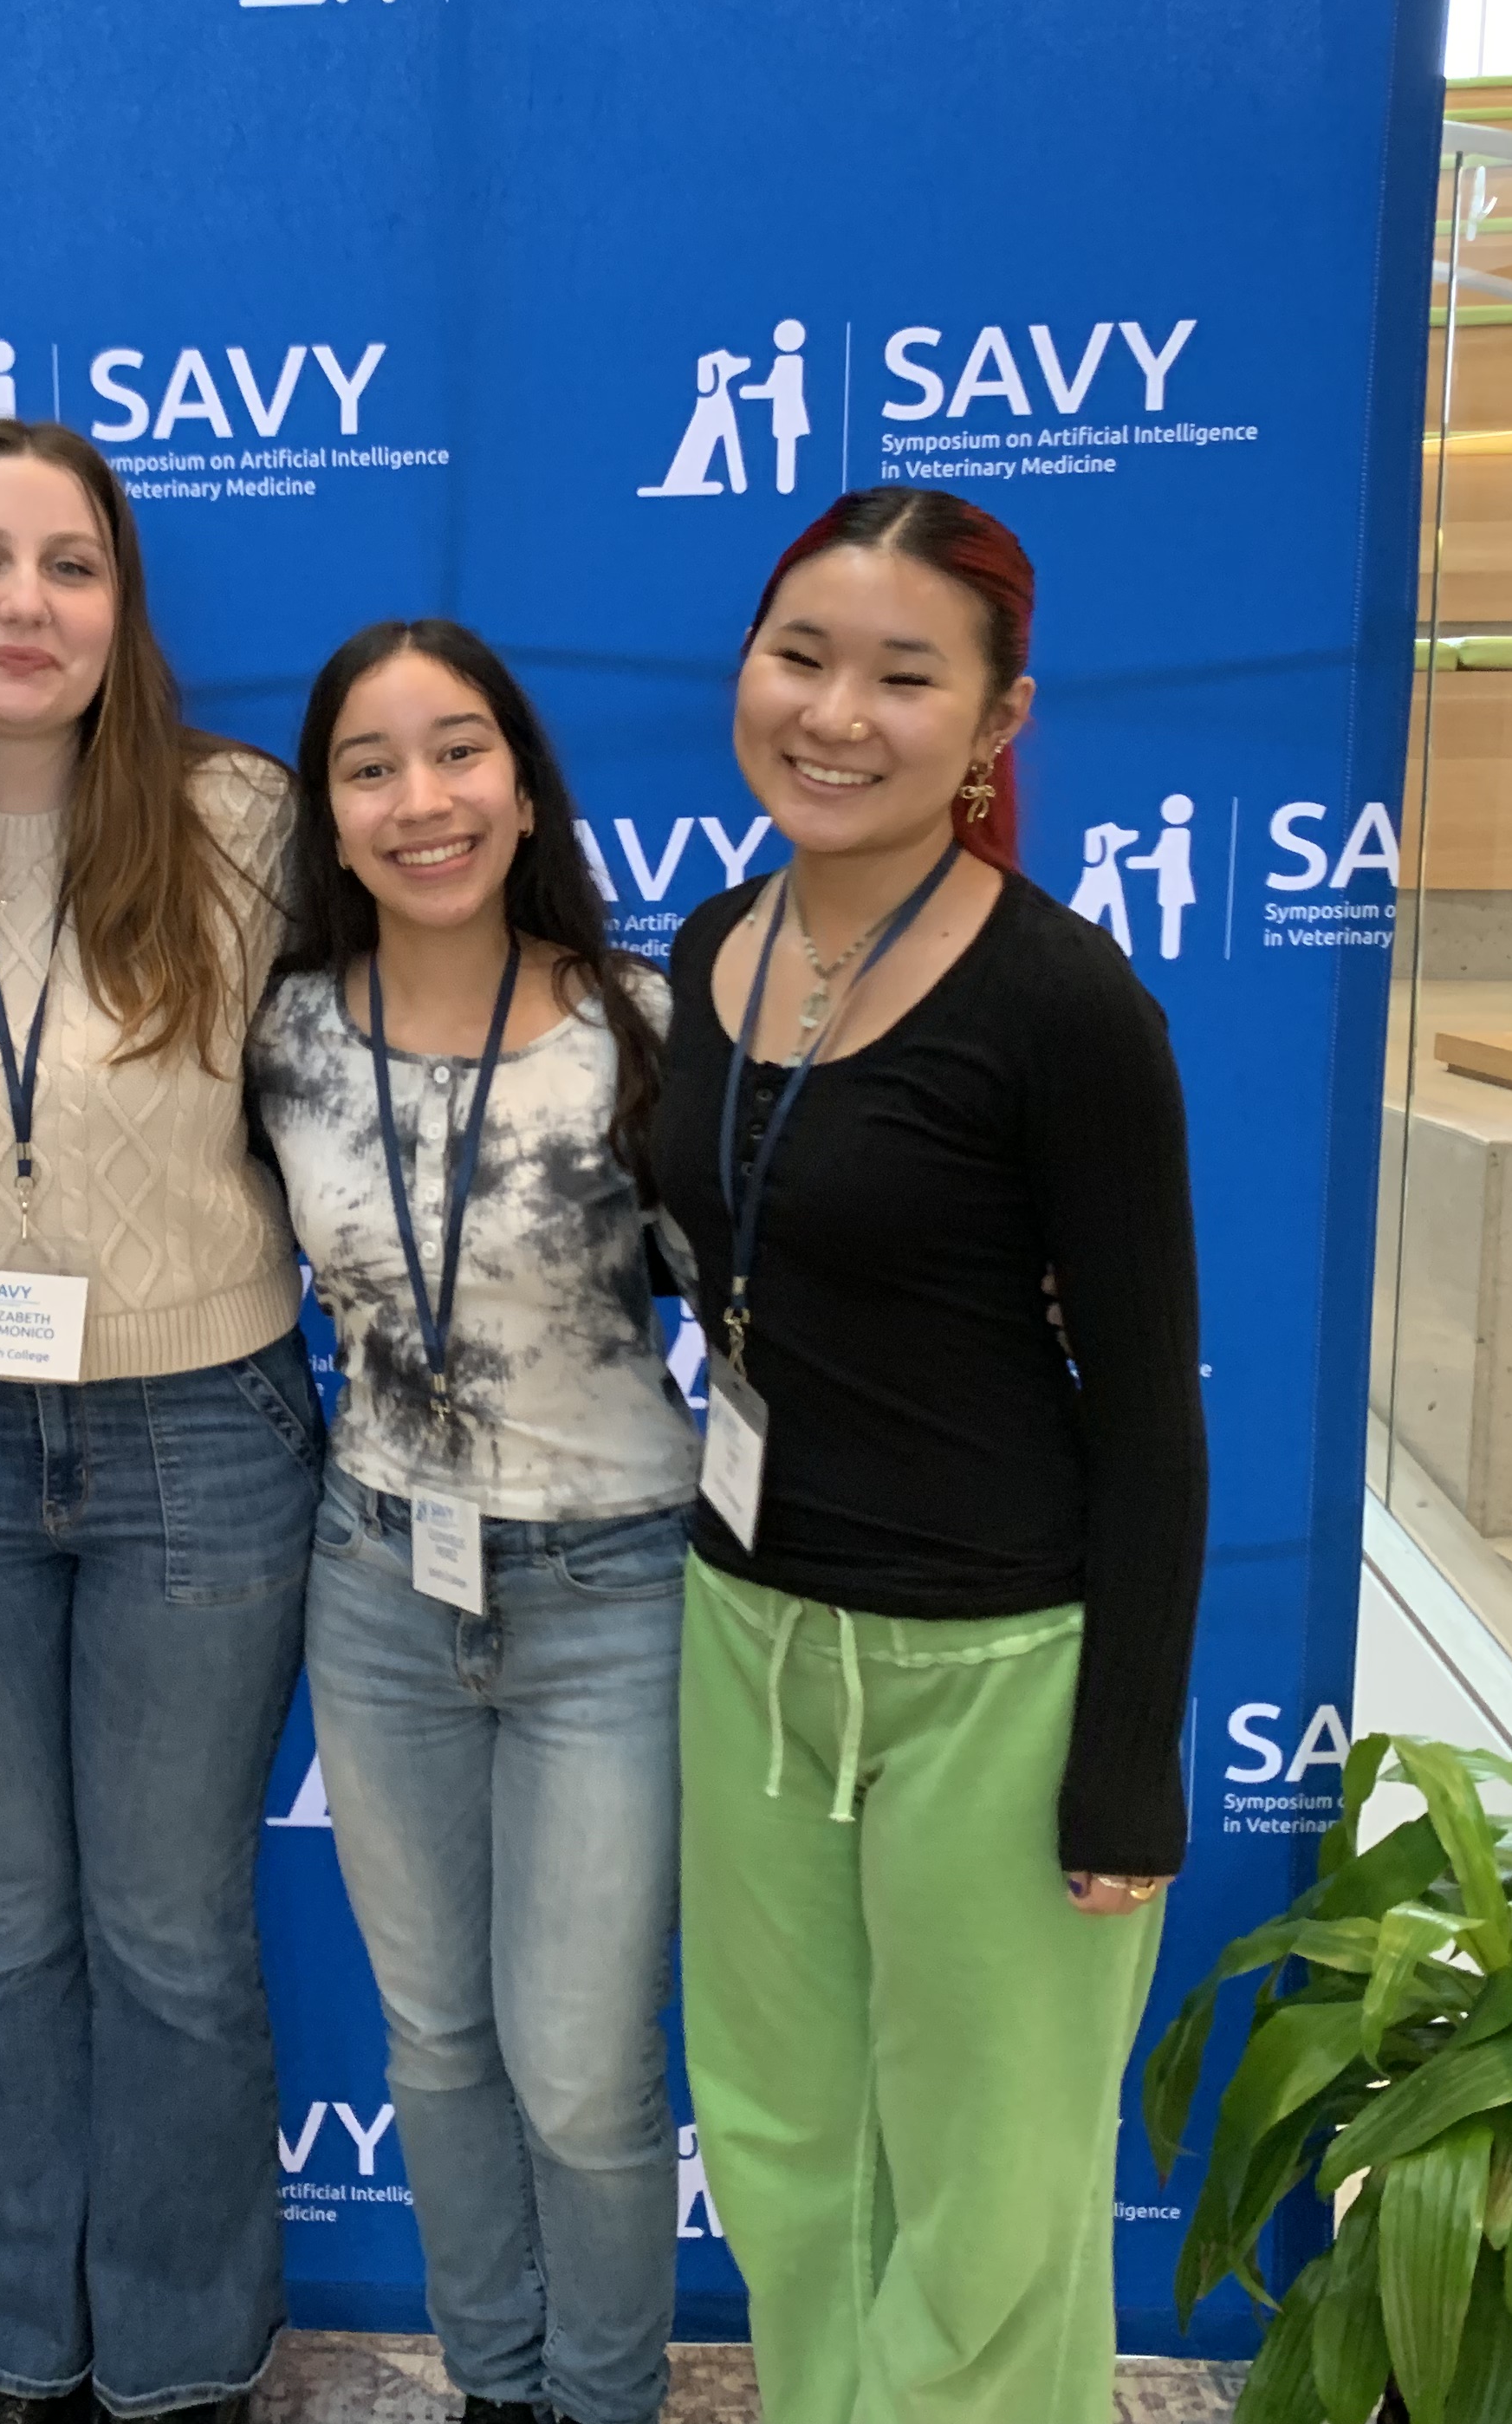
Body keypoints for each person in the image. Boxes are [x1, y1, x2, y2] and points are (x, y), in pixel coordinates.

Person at [656, 486, 1204, 2424]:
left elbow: (1150, 1410)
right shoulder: (713, 946)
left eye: (905, 677)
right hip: (749, 1644)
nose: (835, 712)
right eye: (800, 655)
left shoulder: (1065, 1006)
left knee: (987, 2208)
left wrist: (1127, 1766)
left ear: (994, 724)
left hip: (996, 1670)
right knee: (794, 2165)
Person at [0, 417, 317, 2424]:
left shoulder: (243, 821)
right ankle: (20, 2352)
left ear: (124, 605)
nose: (26, 605)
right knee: (1, 1930)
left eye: (72, 565)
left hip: (199, 1428)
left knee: (175, 1938)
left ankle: (186, 2369)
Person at [250, 621, 695, 2424]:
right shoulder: (278, 1032)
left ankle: (604, 2399)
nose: (419, 799)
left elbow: (762, 1289)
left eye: (457, 754)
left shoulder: (642, 1020)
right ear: (331, 812)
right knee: (435, 2038)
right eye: (371, 765)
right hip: (376, 1581)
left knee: (583, 2066)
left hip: (614, 1588)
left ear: (521, 786)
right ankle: (493, 2384)